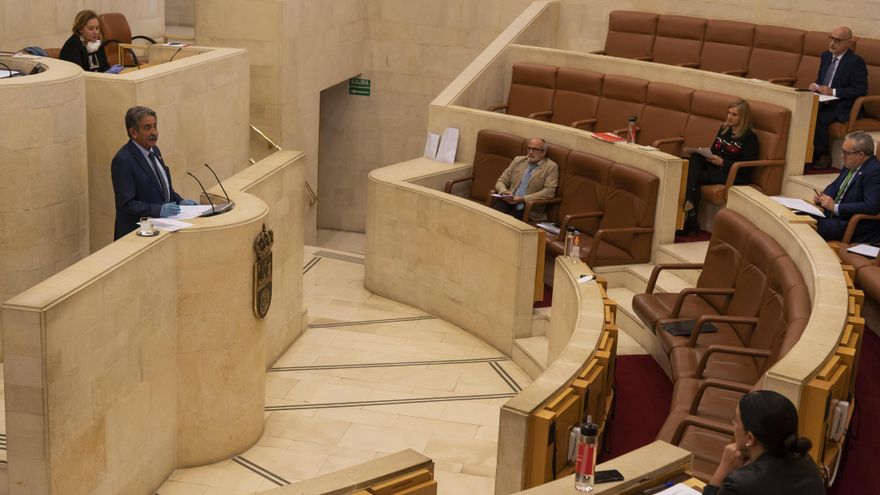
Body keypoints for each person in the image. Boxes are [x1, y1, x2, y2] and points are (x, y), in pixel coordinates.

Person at [704, 390, 826, 495]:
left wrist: (723, 468)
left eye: (736, 420)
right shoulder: (806, 461)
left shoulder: (740, 484)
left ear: (750, 438)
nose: (732, 423)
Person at [111, 106, 198, 240]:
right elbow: (127, 204)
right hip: (137, 234)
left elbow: (163, 188)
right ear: (133, 132)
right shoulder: (123, 160)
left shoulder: (155, 151)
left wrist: (180, 202)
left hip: (161, 230)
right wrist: (159, 210)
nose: (154, 132)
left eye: (155, 126)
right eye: (147, 128)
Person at [681, 100, 758, 234]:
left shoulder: (750, 138)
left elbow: (746, 167)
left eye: (734, 115)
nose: (729, 117)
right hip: (715, 167)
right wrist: (708, 155)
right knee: (695, 158)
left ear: (743, 117)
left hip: (733, 174)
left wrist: (723, 163)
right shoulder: (724, 129)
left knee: (690, 177)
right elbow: (714, 150)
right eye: (729, 113)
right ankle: (691, 219)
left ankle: (691, 216)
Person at [808, 26, 868, 169]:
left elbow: (861, 89)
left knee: (819, 118)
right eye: (831, 38)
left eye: (838, 40)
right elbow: (822, 79)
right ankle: (805, 154)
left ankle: (823, 156)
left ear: (848, 43)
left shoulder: (855, 61)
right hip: (824, 100)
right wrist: (815, 85)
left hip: (844, 105)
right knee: (804, 112)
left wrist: (833, 92)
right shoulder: (826, 56)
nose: (832, 43)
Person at [812, 131, 880, 243]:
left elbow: (871, 206)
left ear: (861, 155)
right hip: (835, 217)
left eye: (846, 153)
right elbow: (835, 185)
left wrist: (835, 207)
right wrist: (823, 196)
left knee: (814, 226)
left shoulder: (875, 172)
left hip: (852, 223)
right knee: (800, 214)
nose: (841, 156)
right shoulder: (851, 163)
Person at [490, 137, 559, 222]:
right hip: (508, 200)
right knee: (491, 216)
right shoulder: (518, 160)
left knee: (510, 222)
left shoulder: (551, 167)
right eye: (529, 148)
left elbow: (549, 192)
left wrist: (523, 198)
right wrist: (504, 191)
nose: (530, 152)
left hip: (528, 207)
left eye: (535, 149)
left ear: (544, 152)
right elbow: (501, 181)